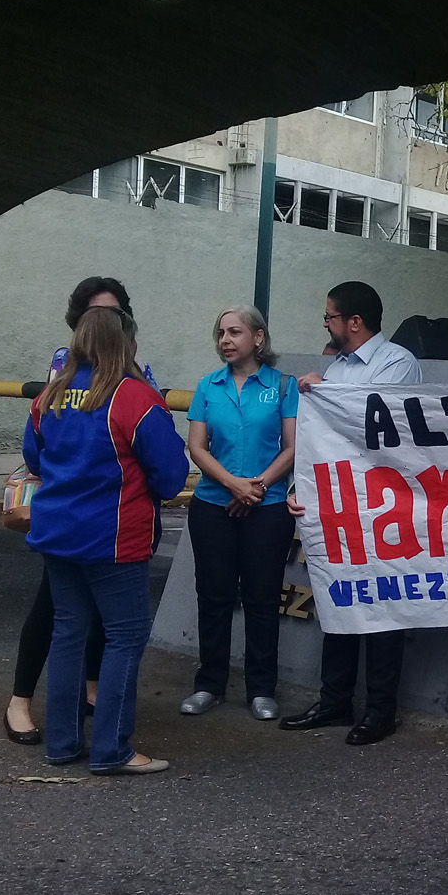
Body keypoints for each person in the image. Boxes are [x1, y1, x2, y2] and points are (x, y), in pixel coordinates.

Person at [23, 306, 189, 774]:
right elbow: (171, 475)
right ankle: (112, 748)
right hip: (114, 537)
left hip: (56, 532)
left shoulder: (49, 396)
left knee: (68, 633)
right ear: (126, 344)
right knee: (124, 636)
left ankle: (62, 742)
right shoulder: (135, 398)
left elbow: (33, 456)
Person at [5, 277, 150, 744]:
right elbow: (165, 469)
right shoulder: (65, 377)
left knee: (82, 625)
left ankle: (70, 731)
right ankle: (25, 703)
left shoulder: (134, 378)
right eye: (95, 315)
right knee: (65, 618)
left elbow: (38, 449)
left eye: (113, 314)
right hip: (96, 526)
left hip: (71, 524)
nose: (105, 323)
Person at [281, 281, 422, 746]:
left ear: (354, 322)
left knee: (382, 606)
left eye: (330, 317)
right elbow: (318, 442)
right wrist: (297, 488)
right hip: (334, 506)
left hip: (382, 505)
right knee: (337, 602)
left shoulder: (397, 362)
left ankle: (381, 710)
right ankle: (335, 701)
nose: (326, 324)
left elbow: (380, 423)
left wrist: (327, 393)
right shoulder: (337, 367)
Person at [179, 305, 299, 721]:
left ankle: (261, 689)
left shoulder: (283, 387)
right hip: (214, 505)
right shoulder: (208, 386)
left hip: (267, 508)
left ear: (259, 338)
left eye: (235, 332)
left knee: (262, 599)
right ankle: (209, 684)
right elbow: (197, 447)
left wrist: (258, 486)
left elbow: (293, 446)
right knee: (213, 596)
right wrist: (234, 484)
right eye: (221, 333)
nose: (225, 340)